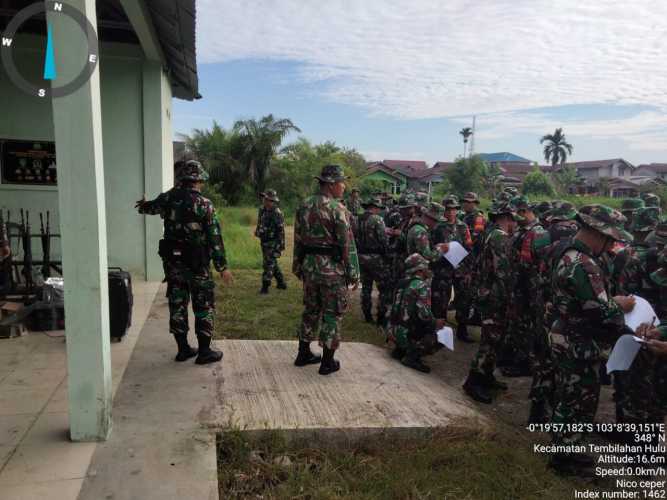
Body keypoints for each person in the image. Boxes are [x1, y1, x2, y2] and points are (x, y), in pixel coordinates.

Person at [547, 205, 635, 475]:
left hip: (566, 335)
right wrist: (620, 304)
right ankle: (565, 456)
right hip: (579, 342)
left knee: (569, 397)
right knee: (579, 400)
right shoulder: (585, 265)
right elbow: (600, 312)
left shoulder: (565, 251)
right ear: (599, 234)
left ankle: (567, 449)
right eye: (610, 239)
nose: (610, 245)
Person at [135, 160, 232, 365]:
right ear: (198, 180)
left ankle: (183, 350)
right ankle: (205, 351)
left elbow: (149, 208)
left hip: (173, 262)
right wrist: (222, 267)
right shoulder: (204, 204)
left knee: (177, 303)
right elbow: (214, 236)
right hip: (197, 263)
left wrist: (143, 204)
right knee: (203, 304)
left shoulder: (168, 197)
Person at [292, 164, 360, 375]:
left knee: (311, 310)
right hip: (331, 270)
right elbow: (345, 244)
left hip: (310, 267)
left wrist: (298, 265)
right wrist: (353, 273)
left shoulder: (304, 205)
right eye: (341, 182)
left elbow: (298, 239)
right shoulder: (337, 209)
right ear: (331, 185)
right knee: (332, 314)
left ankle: (303, 354)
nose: (344, 186)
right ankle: (327, 362)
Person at [463, 198, 515, 404]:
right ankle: (473, 381)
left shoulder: (490, 233)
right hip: (495, 296)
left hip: (488, 292)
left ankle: (487, 375)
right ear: (506, 218)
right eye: (513, 219)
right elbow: (503, 272)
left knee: (494, 339)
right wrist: (510, 299)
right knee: (490, 340)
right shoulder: (500, 237)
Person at [387, 253, 447, 372]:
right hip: (406, 334)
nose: (428, 270)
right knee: (444, 334)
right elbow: (424, 315)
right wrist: (436, 322)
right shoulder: (421, 285)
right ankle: (412, 356)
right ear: (420, 270)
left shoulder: (401, 283)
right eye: (426, 267)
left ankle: (400, 350)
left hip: (392, 331)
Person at [430, 196, 474, 342]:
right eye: (448, 209)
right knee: (441, 301)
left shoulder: (463, 226)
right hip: (443, 269)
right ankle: (440, 334)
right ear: (444, 211)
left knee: (463, 300)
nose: (451, 212)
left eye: (454, 209)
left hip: (460, 269)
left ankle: (462, 330)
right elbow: (432, 247)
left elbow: (469, 247)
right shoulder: (437, 227)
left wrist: (468, 270)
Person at [355, 197, 392, 326]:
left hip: (361, 256)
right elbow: (383, 240)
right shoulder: (377, 219)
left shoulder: (357, 219)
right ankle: (381, 317)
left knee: (366, 287)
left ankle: (367, 315)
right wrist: (387, 255)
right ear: (374, 208)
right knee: (384, 288)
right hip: (376, 258)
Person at [255, 189, 287, 294]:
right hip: (264, 241)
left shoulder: (277, 213)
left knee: (268, 264)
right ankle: (281, 282)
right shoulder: (262, 210)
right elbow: (260, 223)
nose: (264, 200)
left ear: (271, 200)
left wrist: (280, 246)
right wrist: (258, 231)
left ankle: (265, 286)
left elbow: (281, 231)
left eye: (266, 199)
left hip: (273, 242)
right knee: (271, 262)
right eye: (264, 198)